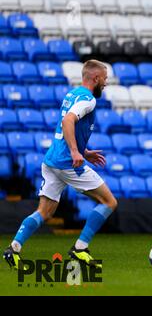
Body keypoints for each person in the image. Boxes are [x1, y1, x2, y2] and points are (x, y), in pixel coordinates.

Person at [3, 60, 117, 269]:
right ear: (96, 78)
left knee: (45, 212)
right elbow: (68, 122)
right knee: (108, 202)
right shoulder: (88, 100)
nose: (106, 83)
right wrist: (75, 152)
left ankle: (13, 248)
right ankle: (80, 249)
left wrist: (84, 151)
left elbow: (68, 125)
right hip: (67, 163)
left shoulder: (72, 94)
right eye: (105, 78)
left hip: (52, 160)